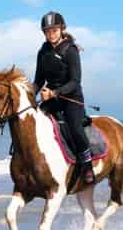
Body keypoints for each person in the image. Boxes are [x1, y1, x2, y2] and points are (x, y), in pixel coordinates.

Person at [33, 11, 94, 184]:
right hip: (51, 100)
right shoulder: (43, 52)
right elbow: (39, 80)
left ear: (61, 29)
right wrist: (29, 94)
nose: (51, 34)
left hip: (71, 98)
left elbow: (75, 81)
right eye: (47, 31)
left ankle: (87, 165)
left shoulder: (71, 50)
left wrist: (54, 93)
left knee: (75, 128)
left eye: (54, 30)